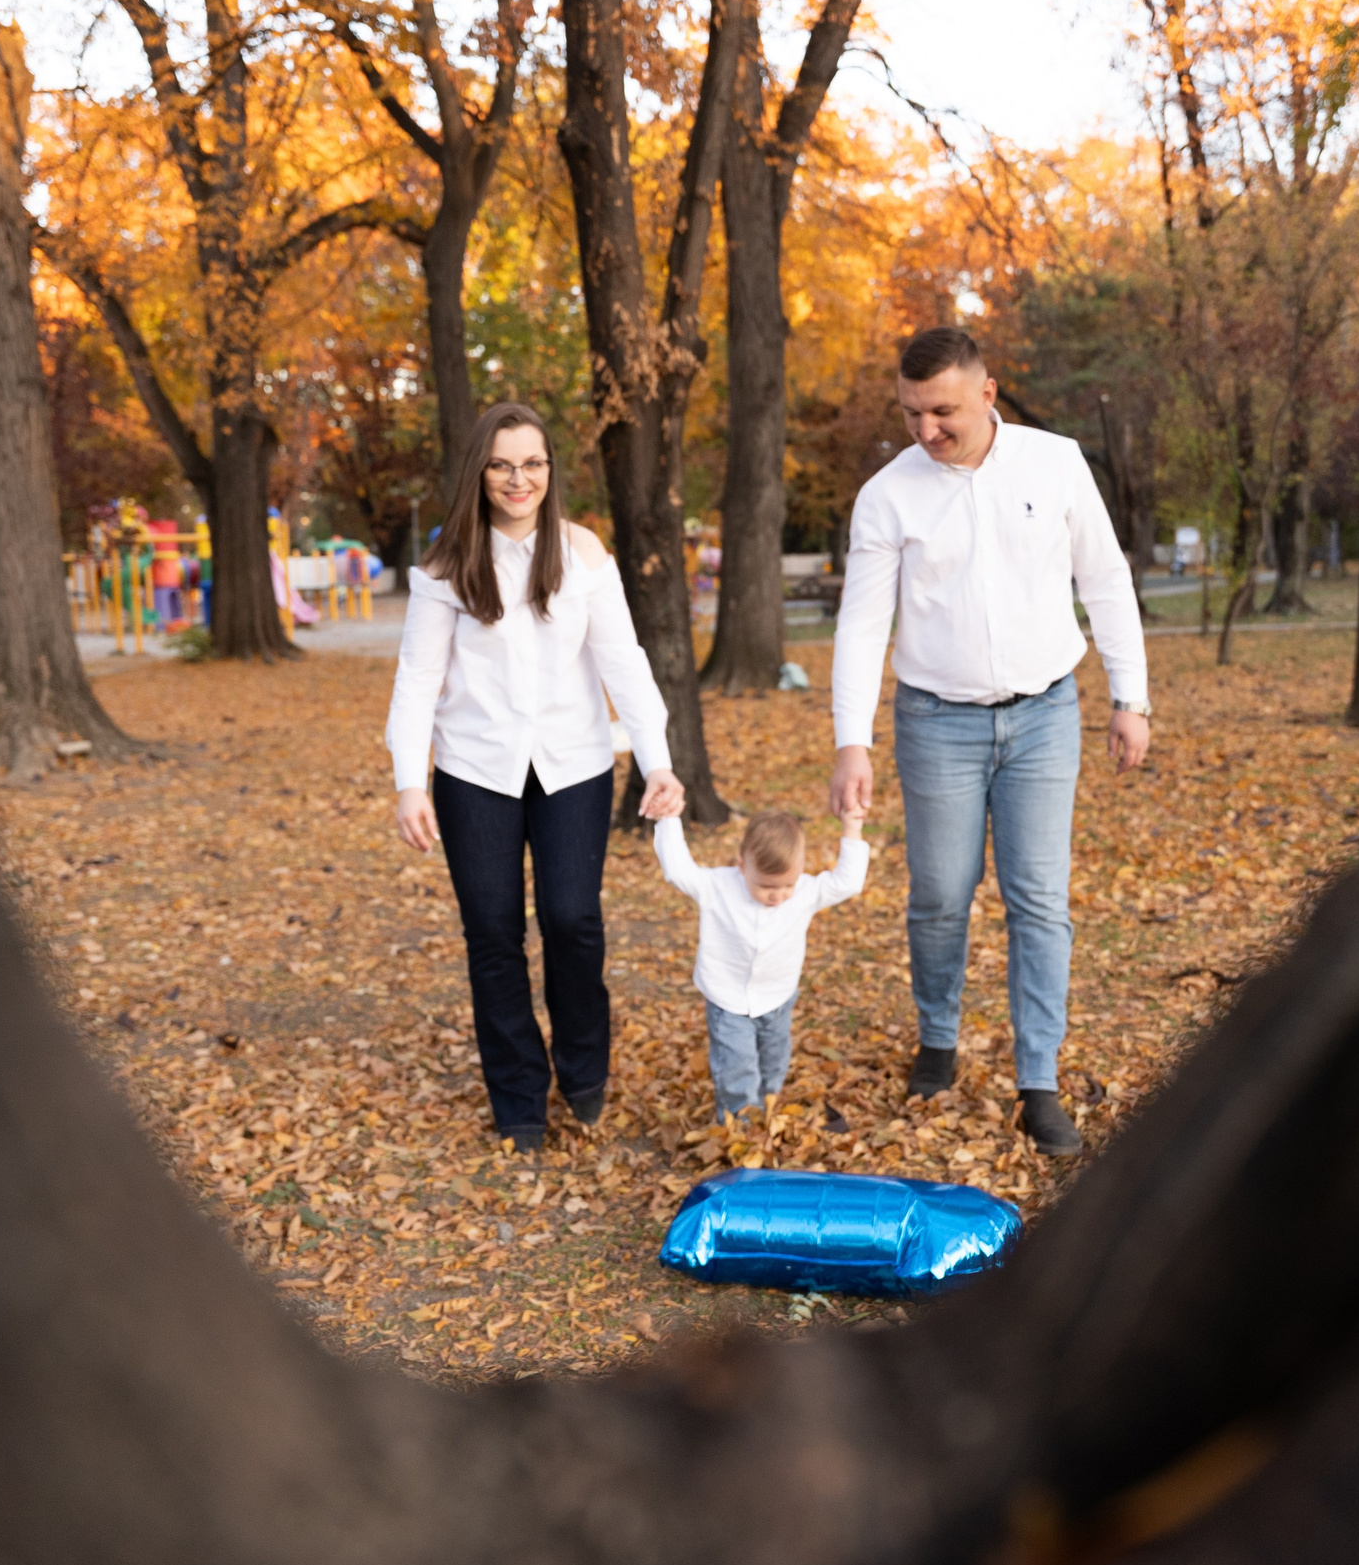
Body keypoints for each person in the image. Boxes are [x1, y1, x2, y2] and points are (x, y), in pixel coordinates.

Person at [828, 326, 1151, 1156]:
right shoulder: (887, 495)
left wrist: (1131, 697)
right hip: (936, 719)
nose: (927, 429)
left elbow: (1105, 581)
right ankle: (938, 1040)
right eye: (911, 413)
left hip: (1044, 713)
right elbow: (863, 625)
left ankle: (1036, 1080)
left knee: (1039, 895)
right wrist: (850, 742)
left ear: (987, 393)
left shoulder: (1056, 462)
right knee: (940, 894)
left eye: (943, 411)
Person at [386, 402, 684, 1152]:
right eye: (502, 464)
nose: (519, 478)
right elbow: (417, 678)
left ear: (551, 470)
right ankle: (518, 1097)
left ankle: (584, 1072)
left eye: (533, 463)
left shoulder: (583, 554)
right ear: (479, 473)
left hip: (573, 766)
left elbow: (624, 661)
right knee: (492, 933)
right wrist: (409, 781)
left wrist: (658, 761)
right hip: (473, 772)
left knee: (572, 920)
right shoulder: (446, 564)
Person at [653, 809, 870, 1120]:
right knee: (737, 1067)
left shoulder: (805, 892)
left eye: (786, 886)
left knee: (774, 1062)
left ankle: (767, 1109)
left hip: (777, 999)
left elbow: (847, 883)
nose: (778, 896)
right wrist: (668, 819)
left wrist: (852, 827)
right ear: (742, 866)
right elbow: (678, 870)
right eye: (767, 887)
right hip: (728, 1001)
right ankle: (739, 1123)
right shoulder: (717, 887)